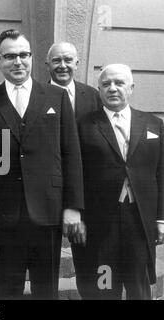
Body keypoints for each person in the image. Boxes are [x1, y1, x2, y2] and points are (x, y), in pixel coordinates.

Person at [0, 29, 84, 299]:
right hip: (4, 214)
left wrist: (73, 207)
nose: (18, 61)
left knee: (46, 291)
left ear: (32, 58)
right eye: (10, 56)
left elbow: (71, 154)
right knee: (9, 290)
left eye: (23, 55)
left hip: (48, 210)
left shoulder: (56, 97)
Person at [77, 64, 164, 299]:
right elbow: (77, 175)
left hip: (139, 220)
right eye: (106, 84)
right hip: (102, 223)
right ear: (99, 90)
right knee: (105, 285)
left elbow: (161, 174)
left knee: (139, 286)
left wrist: (161, 218)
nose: (112, 89)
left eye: (119, 83)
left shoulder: (153, 124)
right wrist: (80, 216)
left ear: (131, 87)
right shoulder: (84, 126)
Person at [46, 41, 102, 298]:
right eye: (57, 60)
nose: (63, 65)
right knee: (45, 266)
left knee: (88, 262)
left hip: (87, 193)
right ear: (47, 65)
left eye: (68, 60)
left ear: (77, 64)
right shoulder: (37, 95)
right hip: (48, 194)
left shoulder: (93, 96)